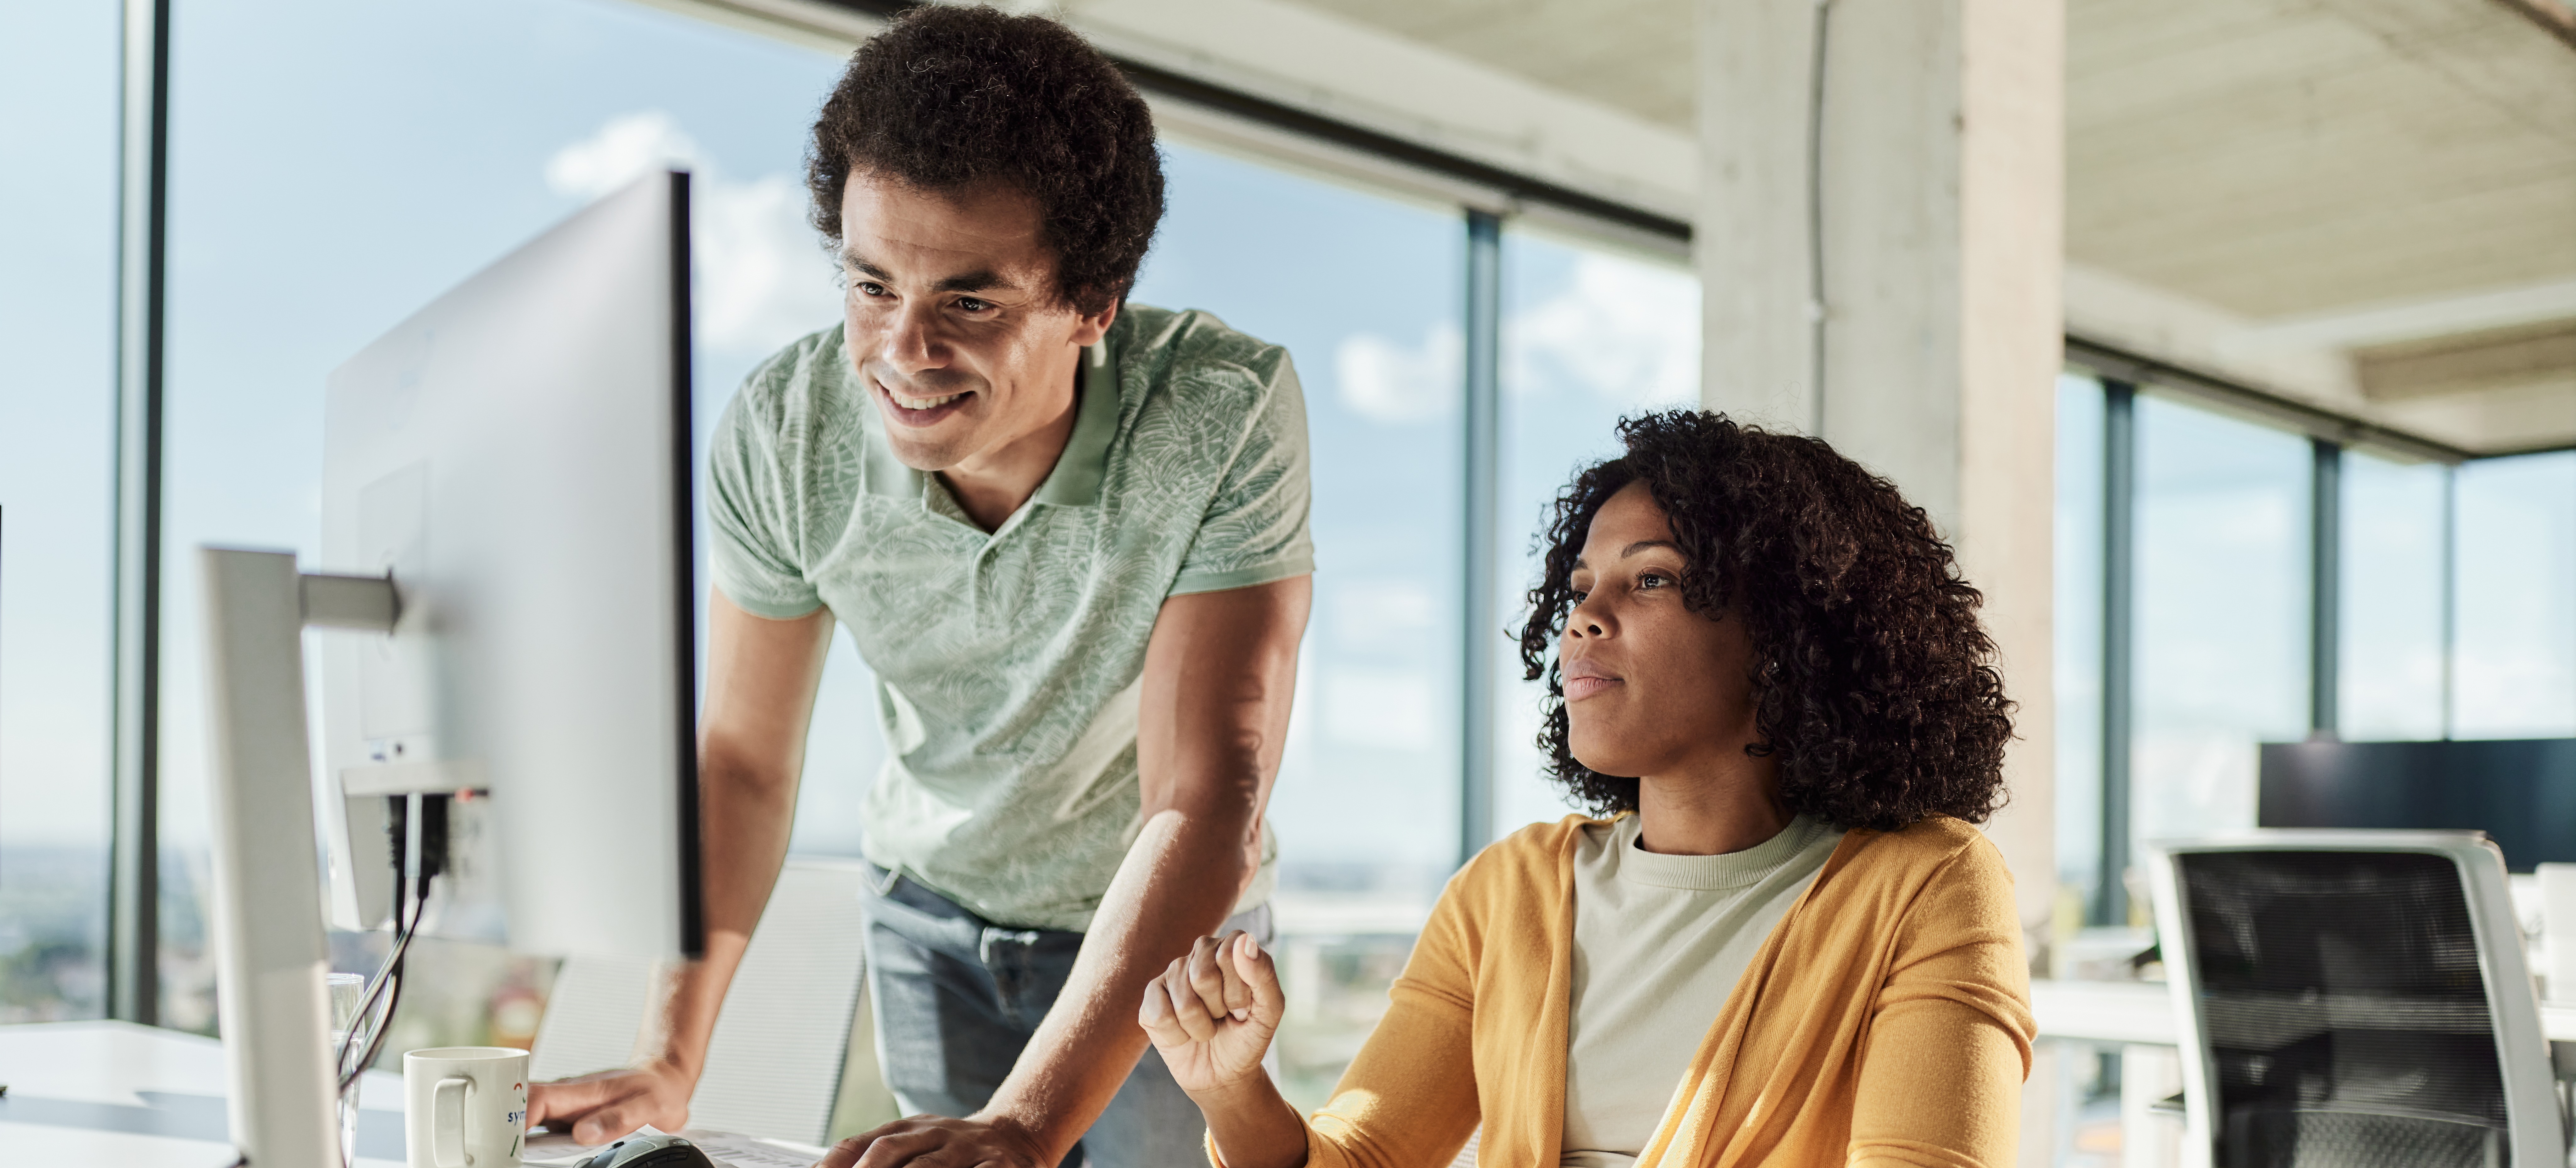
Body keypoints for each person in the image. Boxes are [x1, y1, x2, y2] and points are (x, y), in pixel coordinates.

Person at [528, 9, 1314, 1168]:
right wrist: (670, 1052)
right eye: (870, 283)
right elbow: (742, 760)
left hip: (1162, 934)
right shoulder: (786, 432)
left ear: (1092, 303)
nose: (904, 349)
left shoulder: (1219, 410)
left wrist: (1027, 1120)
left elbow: (1204, 792)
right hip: (929, 915)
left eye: (972, 301)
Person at [1142, 411, 2036, 1168]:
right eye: (1579, 588)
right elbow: (1366, 1156)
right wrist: (1234, 1093)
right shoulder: (1506, 893)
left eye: (1652, 578)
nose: (1582, 617)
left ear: (1788, 629)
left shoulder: (1929, 883)